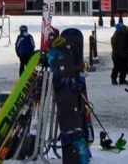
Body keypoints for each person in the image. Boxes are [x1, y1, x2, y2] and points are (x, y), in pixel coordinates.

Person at [50, 27, 90, 164]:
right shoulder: (72, 51)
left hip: (63, 93)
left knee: (71, 123)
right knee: (75, 122)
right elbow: (79, 69)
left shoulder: (56, 54)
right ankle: (79, 152)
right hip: (72, 93)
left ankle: (75, 151)